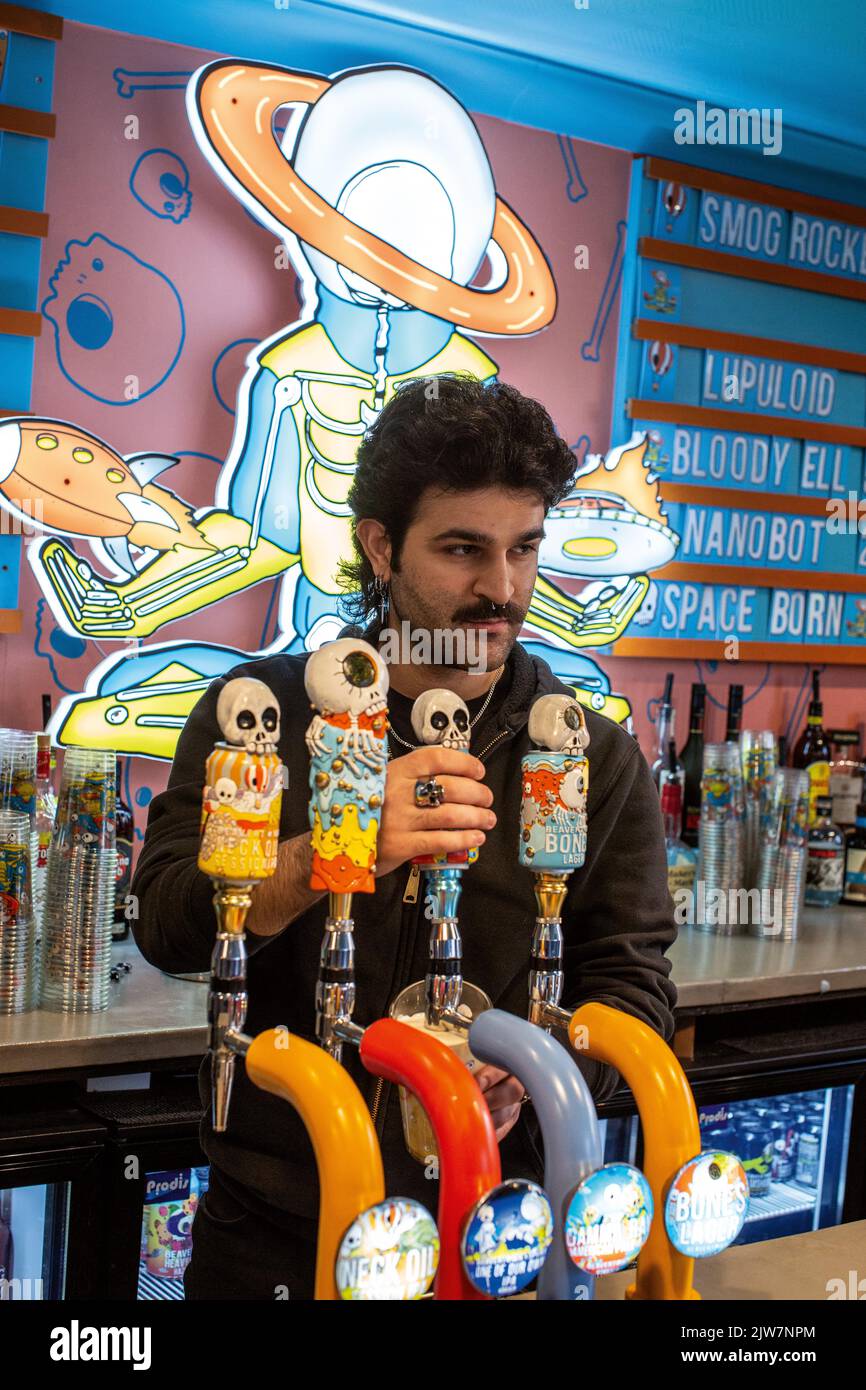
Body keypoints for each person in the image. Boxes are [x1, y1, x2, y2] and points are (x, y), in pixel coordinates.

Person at [131, 374, 677, 1300]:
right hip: (277, 1238)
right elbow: (171, 928)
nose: (500, 590)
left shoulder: (592, 753)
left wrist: (544, 1070)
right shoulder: (260, 715)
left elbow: (632, 985)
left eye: (525, 549)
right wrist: (335, 848)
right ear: (380, 546)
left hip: (492, 1234)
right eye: (463, 549)